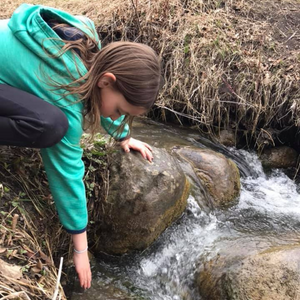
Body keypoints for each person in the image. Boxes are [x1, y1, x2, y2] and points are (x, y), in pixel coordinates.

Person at [0, 3, 161, 289]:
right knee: (51, 125)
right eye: (121, 110)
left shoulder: (88, 44)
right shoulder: (63, 88)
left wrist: (123, 136)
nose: (118, 117)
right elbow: (67, 173)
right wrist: (80, 248)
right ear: (107, 80)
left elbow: (99, 100)